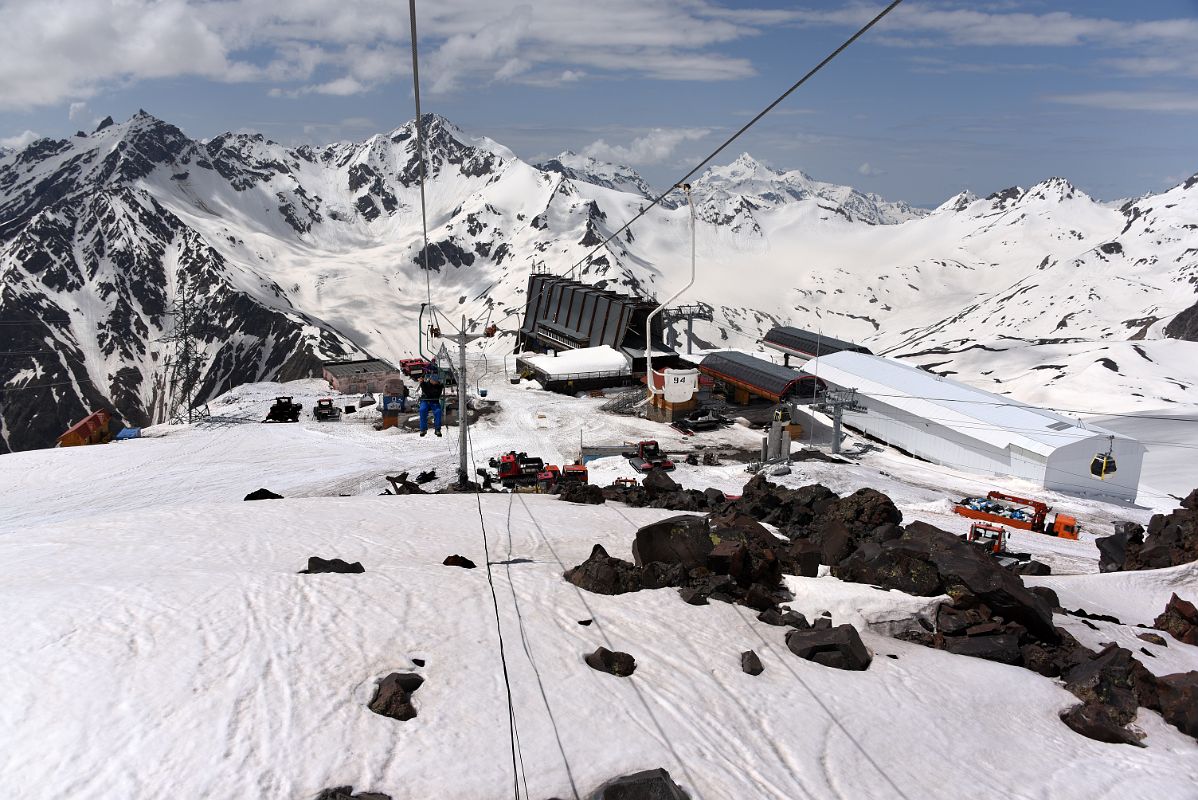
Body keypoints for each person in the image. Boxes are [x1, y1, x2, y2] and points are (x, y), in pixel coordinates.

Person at [417, 372, 444, 436]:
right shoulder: (425, 384)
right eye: (434, 381)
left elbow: (436, 395)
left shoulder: (439, 386)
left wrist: (423, 384)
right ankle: (423, 429)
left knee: (438, 412)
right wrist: (422, 383)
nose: (435, 382)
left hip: (434, 401)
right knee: (422, 410)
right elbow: (426, 392)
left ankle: (437, 429)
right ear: (430, 380)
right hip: (425, 401)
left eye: (436, 381)